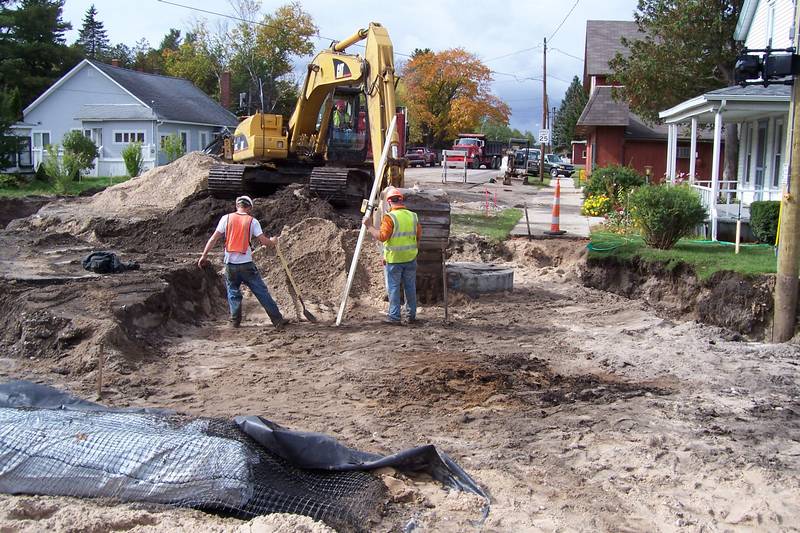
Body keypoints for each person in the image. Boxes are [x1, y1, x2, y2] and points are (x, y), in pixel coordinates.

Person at [197, 195, 288, 330]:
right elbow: (264, 241)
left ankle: (235, 321)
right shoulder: (253, 221)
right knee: (261, 291)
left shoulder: (226, 218)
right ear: (249, 208)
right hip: (246, 264)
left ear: (237, 205)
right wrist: (273, 242)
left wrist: (204, 256)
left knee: (233, 291)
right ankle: (277, 320)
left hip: (230, 264)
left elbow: (213, 239)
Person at [363, 187, 422, 325]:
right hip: (410, 258)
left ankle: (395, 317)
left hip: (394, 260)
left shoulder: (390, 217)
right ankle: (410, 315)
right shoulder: (413, 216)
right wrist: (414, 253)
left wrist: (369, 226)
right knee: (410, 288)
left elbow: (382, 237)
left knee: (394, 288)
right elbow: (418, 236)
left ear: (389, 203)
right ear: (401, 200)